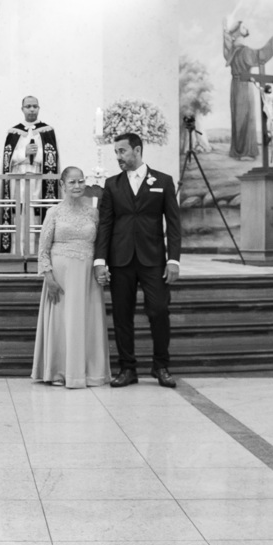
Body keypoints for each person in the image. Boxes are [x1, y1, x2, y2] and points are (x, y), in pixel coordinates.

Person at [93, 133, 182, 388]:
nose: (118, 157)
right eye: (116, 152)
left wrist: (174, 260)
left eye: (122, 151)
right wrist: (100, 260)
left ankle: (161, 365)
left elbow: (173, 223)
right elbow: (105, 224)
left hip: (153, 259)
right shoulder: (112, 184)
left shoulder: (163, 181)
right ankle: (127, 368)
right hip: (120, 259)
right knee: (122, 315)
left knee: (159, 310)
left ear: (137, 150)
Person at [32, 166, 110, 388]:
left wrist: (103, 268)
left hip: (87, 277)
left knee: (87, 322)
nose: (77, 186)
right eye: (72, 182)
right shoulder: (54, 213)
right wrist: (48, 277)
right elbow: (43, 249)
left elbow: (101, 245)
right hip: (61, 277)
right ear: (62, 185)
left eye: (81, 181)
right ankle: (59, 371)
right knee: (62, 323)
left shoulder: (93, 213)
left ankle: (89, 372)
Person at [0, 95, 58, 253]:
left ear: (39, 108)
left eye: (35, 106)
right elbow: (7, 158)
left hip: (39, 181)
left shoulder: (47, 131)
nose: (32, 109)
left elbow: (52, 157)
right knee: (19, 214)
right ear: (22, 109)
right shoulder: (14, 132)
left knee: (38, 213)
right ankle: (16, 252)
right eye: (28, 106)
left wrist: (35, 155)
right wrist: (24, 153)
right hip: (18, 181)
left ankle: (38, 252)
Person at [224, 18, 273, 160]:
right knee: (245, 117)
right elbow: (261, 55)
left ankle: (240, 150)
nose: (247, 28)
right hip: (244, 86)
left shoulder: (232, 51)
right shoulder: (244, 51)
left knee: (240, 117)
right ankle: (245, 152)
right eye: (243, 27)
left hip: (236, 86)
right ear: (237, 32)